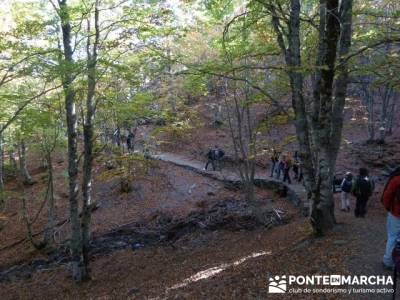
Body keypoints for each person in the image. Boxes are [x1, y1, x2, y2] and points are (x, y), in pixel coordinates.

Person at [382, 167, 400, 270]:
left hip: (396, 213)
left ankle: (388, 261)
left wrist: (389, 207)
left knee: (393, 237)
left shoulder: (396, 178)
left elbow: (387, 195)